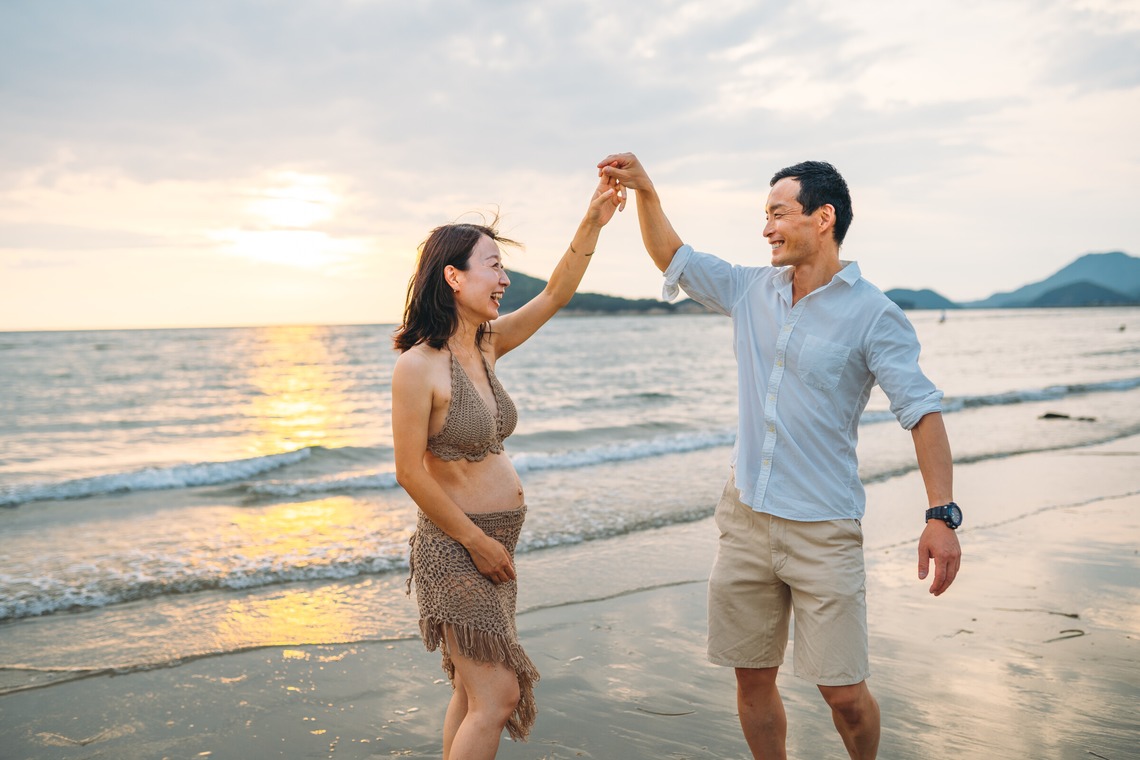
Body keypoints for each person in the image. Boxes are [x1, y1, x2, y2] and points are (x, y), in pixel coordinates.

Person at [597, 153, 962, 760]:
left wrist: (940, 515)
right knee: (751, 678)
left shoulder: (875, 314)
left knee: (842, 693)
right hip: (745, 518)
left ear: (823, 218)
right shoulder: (749, 289)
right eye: (763, 215)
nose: (766, 228)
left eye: (777, 214)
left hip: (823, 527)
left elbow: (921, 413)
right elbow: (675, 258)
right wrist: (646, 192)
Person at [391, 178, 621, 760]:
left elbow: (557, 294)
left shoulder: (488, 345)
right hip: (456, 548)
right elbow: (410, 473)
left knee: (472, 696)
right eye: (493, 266)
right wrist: (476, 542)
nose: (504, 279)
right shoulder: (418, 368)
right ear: (453, 276)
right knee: (497, 695)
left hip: (495, 545)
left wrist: (592, 220)